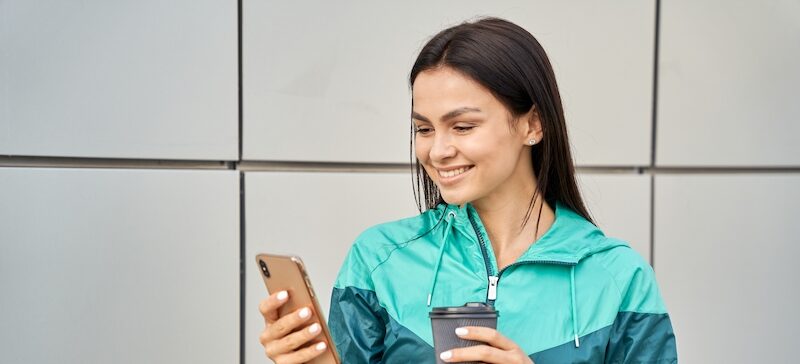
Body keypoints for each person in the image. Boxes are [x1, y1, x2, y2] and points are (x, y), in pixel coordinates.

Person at [259, 16, 677, 363]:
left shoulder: (619, 279)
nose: (438, 151)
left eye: (463, 126)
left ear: (532, 124)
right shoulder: (377, 260)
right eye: (424, 128)